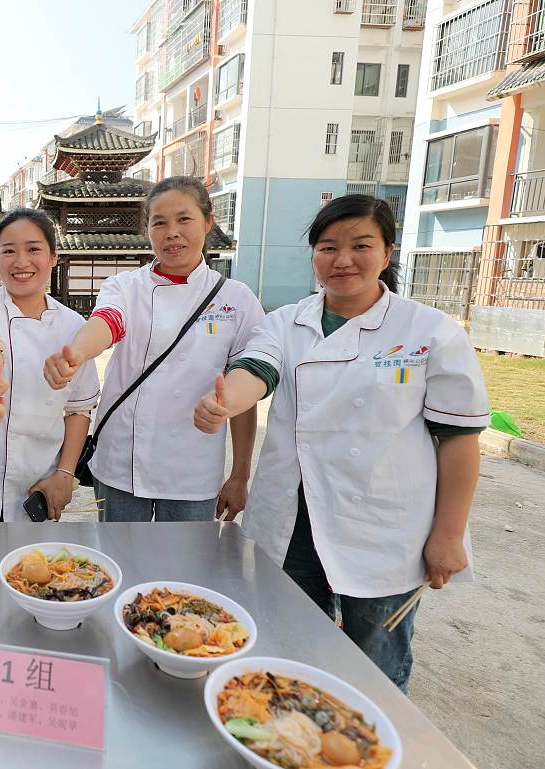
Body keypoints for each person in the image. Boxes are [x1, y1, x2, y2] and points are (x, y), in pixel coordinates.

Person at [193, 194, 489, 691]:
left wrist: (449, 534)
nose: (342, 260)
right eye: (327, 247)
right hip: (294, 521)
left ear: (388, 253)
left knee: (373, 662)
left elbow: (459, 441)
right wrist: (226, 402)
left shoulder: (427, 332)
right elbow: (257, 369)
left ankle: (366, 757)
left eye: (360, 245)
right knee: (286, 647)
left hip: (381, 529)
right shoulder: (287, 322)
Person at [43, 176, 264, 522]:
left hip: (192, 472)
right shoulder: (126, 286)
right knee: (120, 565)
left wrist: (239, 475)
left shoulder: (236, 300)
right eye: (159, 223)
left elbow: (243, 394)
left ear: (208, 222)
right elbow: (109, 320)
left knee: (184, 570)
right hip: (121, 465)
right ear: (147, 230)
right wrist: (77, 353)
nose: (171, 232)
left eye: (184, 219)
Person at [0, 208, 100, 522]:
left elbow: (79, 409)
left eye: (33, 249)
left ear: (54, 257)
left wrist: (66, 474)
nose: (21, 262)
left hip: (37, 483)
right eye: (9, 251)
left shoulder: (73, 325)